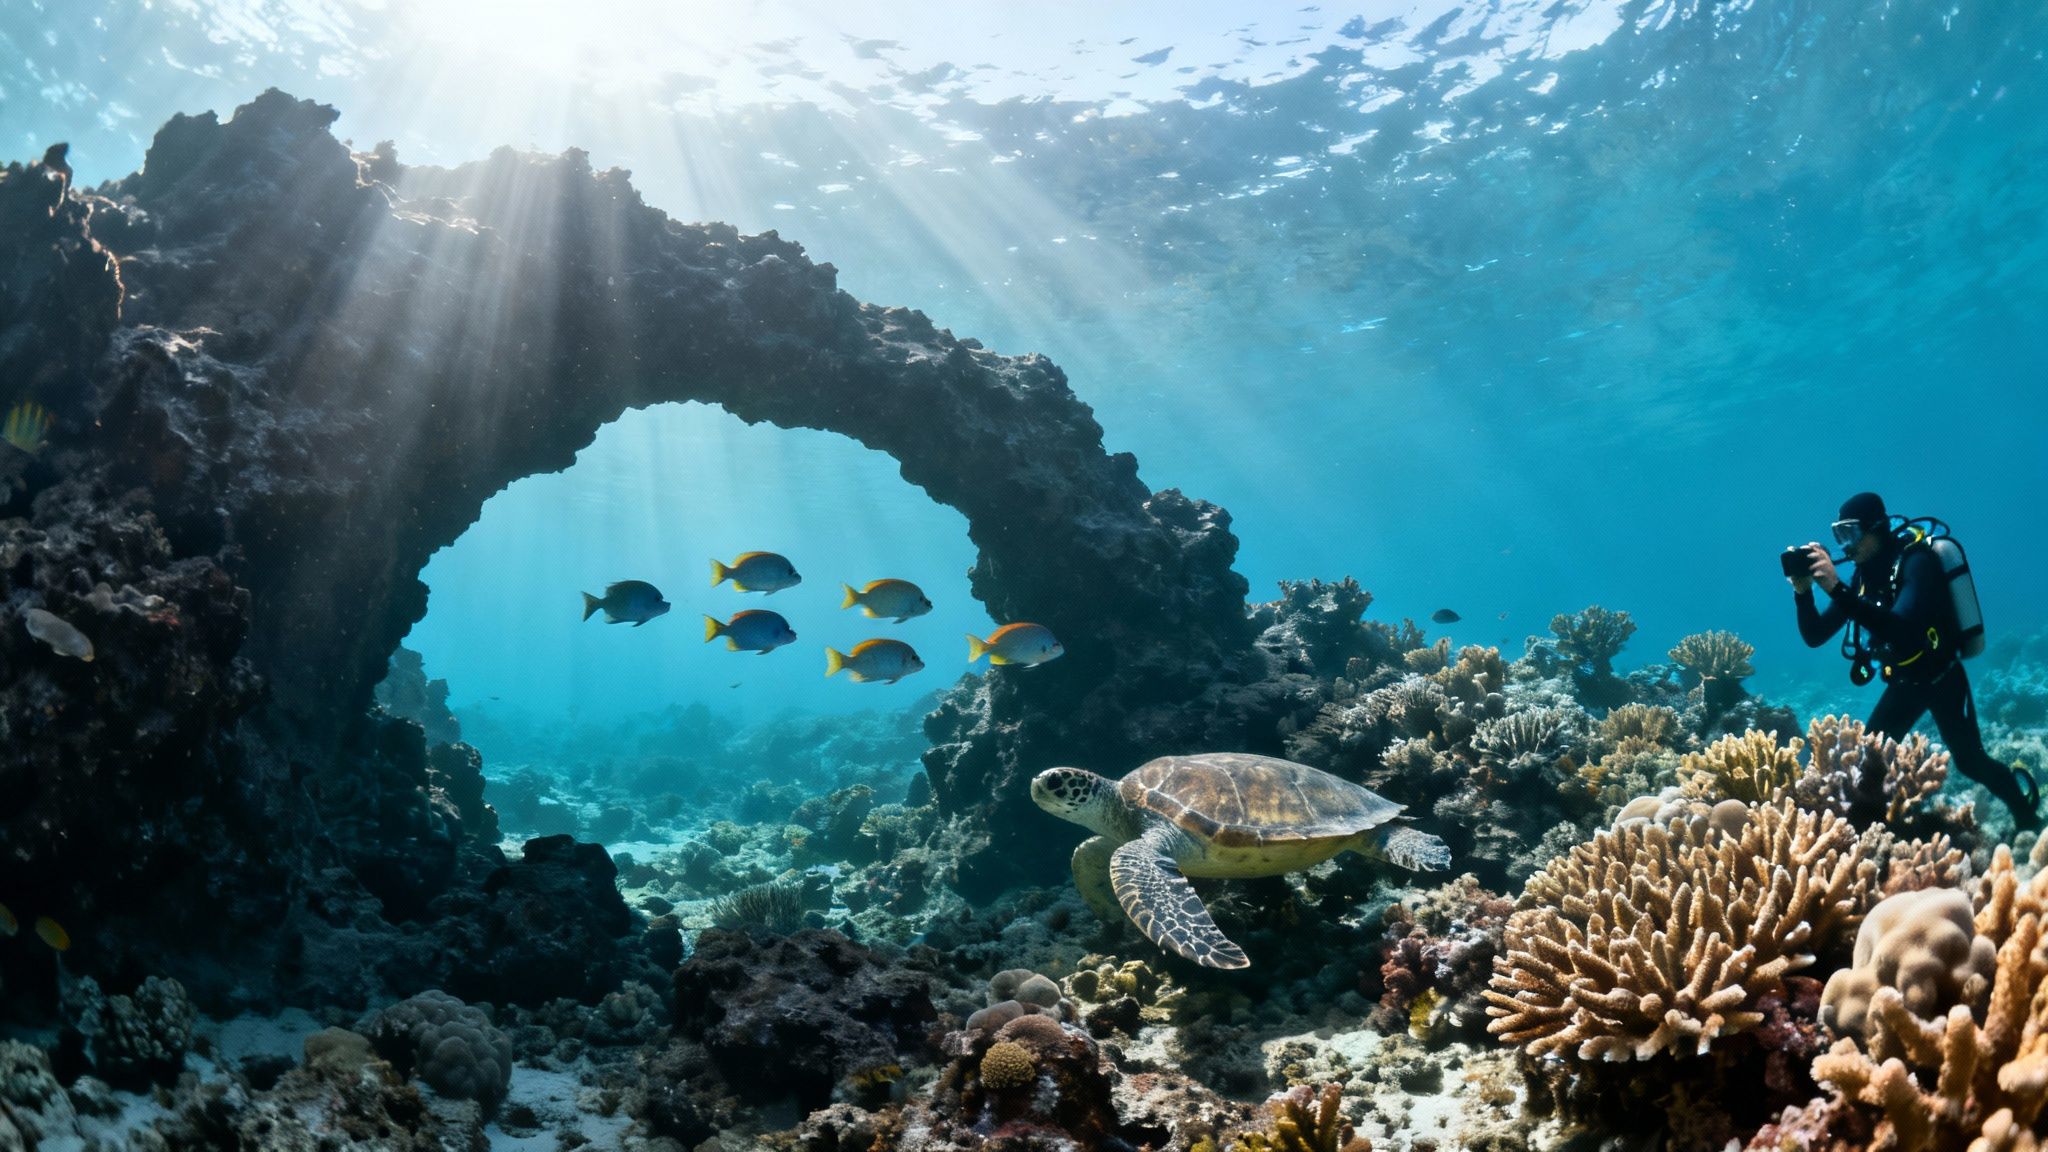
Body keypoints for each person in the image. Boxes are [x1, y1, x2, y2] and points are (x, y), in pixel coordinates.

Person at [1789, 491, 2040, 830]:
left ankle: (2027, 817)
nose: (1844, 544)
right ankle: (1870, 835)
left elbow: (1902, 630)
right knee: (1868, 761)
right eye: (1838, 534)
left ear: (1876, 528)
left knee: (1970, 762)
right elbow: (1815, 635)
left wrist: (1835, 589)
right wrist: (1803, 593)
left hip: (1942, 678)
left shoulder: (1916, 562)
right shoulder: (1862, 577)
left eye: (1850, 533)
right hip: (1904, 682)